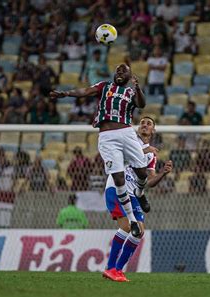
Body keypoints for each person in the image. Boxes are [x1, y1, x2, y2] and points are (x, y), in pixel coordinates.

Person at [50, 64, 149, 238]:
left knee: (142, 173)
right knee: (118, 178)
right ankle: (132, 220)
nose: (119, 72)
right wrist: (66, 93)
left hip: (126, 132)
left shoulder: (131, 92)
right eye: (117, 70)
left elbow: (142, 104)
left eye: (123, 71)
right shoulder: (104, 87)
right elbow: (85, 91)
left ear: (129, 76)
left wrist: (138, 87)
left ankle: (140, 193)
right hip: (107, 137)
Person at [103, 116, 173, 282]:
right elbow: (118, 158)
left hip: (133, 194)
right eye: (142, 123)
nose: (145, 125)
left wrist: (163, 173)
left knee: (138, 232)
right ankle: (111, 267)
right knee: (127, 226)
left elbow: (149, 182)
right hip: (117, 187)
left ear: (153, 130)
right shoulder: (129, 140)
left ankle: (117, 270)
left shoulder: (152, 155)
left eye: (149, 124)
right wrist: (142, 151)